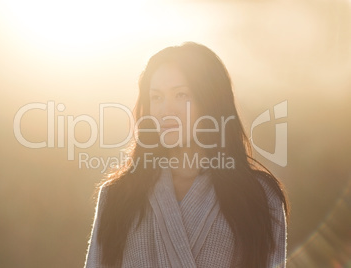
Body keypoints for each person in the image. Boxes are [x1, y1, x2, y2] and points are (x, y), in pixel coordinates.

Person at [84, 42, 290, 268]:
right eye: (157, 97)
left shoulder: (258, 197)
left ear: (210, 100)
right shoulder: (117, 196)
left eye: (181, 95)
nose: (166, 109)